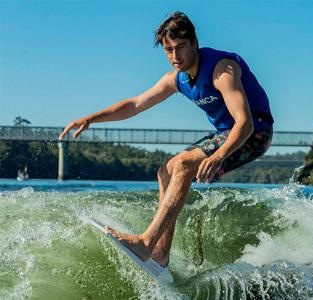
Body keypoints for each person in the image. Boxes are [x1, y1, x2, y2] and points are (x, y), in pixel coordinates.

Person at [59, 11, 274, 268]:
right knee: (166, 171)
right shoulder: (177, 79)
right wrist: (91, 118)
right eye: (168, 50)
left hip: (254, 132)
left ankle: (145, 243)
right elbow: (135, 104)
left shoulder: (222, 69)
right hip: (224, 133)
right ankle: (160, 254)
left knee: (182, 164)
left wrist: (218, 156)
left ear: (194, 43)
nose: (175, 56)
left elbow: (245, 123)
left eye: (181, 47)